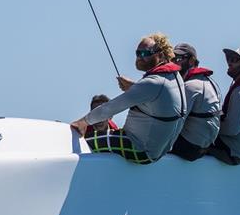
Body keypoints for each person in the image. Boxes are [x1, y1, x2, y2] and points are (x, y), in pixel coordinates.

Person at [71, 32, 186, 164]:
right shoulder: (174, 76)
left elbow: (111, 108)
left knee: (85, 141)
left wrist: (82, 122)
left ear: (160, 55)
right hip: (157, 149)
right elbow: (157, 97)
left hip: (140, 150)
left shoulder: (152, 83)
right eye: (138, 53)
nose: (140, 58)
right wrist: (134, 87)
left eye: (145, 54)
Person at [170, 43, 221, 161]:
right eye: (173, 59)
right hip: (203, 147)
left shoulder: (190, 86)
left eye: (179, 58)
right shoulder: (211, 83)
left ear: (192, 61)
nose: (174, 63)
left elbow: (175, 122)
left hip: (189, 149)